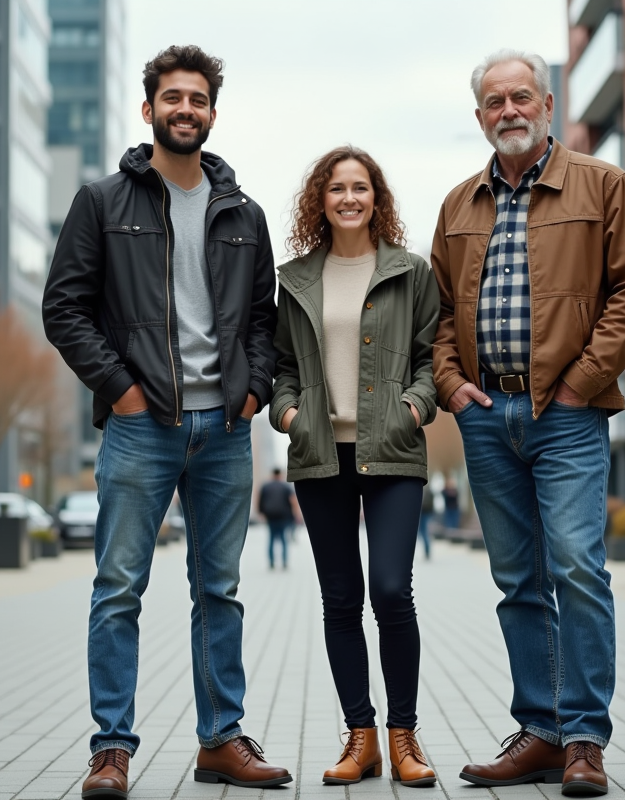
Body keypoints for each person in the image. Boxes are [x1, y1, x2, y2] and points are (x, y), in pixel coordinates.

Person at [42, 45, 290, 800]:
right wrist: (119, 389)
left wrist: (251, 392)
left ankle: (221, 740)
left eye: (199, 100)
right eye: (172, 98)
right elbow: (64, 309)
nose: (187, 110)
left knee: (220, 588)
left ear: (213, 113)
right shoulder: (102, 202)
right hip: (140, 426)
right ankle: (111, 750)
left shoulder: (243, 213)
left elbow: (262, 319)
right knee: (118, 587)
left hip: (224, 430)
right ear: (148, 108)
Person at [431, 50, 625, 796]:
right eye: (494, 101)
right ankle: (540, 729)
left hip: (565, 413)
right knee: (517, 581)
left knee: (577, 569)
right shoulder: (458, 204)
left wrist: (579, 386)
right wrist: (453, 387)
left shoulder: (604, 185)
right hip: (485, 413)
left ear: (548, 104)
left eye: (521, 96)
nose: (509, 110)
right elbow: (436, 315)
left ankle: (585, 739)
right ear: (479, 117)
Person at [270, 146, 440, 787]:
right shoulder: (293, 280)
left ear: (377, 199)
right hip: (321, 454)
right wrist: (288, 415)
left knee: (392, 590)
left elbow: (431, 354)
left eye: (360, 187)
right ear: (321, 200)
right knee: (341, 599)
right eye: (337, 188)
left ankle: (404, 736)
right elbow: (281, 367)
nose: (349, 197)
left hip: (392, 449)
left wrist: (415, 407)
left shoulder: (409, 271)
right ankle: (360, 738)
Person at [257, 468, 297, 569]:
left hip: (270, 515)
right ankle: (284, 562)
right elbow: (292, 501)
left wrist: (261, 512)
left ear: (272, 474)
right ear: (280, 475)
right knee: (283, 539)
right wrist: (295, 515)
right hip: (283, 516)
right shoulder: (285, 487)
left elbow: (260, 500)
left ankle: (271, 562)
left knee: (271, 538)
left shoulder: (266, 486)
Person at [417, 483, 434, 560]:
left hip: (424, 512)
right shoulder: (429, 490)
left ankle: (427, 551)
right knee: (423, 532)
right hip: (426, 512)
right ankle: (427, 551)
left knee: (424, 532)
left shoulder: (426, 490)